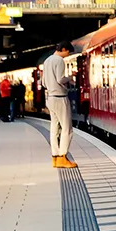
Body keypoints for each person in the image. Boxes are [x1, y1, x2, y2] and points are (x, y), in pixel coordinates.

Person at [42, 41, 77, 169]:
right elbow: (60, 79)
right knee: (67, 128)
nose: (67, 55)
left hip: (50, 98)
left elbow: (44, 83)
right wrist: (70, 78)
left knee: (54, 129)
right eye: (68, 52)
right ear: (63, 49)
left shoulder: (47, 61)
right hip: (60, 98)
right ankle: (63, 157)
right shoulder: (59, 61)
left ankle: (55, 158)